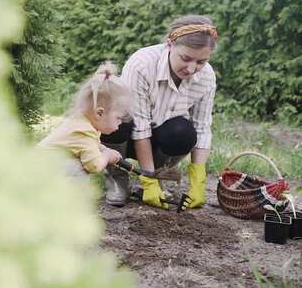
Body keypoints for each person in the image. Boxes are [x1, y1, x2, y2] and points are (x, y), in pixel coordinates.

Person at [101, 15, 218, 209]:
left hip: (160, 140)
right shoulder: (142, 64)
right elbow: (140, 126)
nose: (191, 69)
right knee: (115, 120)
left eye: (201, 62)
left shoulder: (206, 77)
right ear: (170, 44)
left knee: (184, 132)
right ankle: (117, 177)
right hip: (128, 134)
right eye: (186, 58)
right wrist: (149, 179)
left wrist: (199, 179)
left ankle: (157, 174)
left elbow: (203, 127)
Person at [38, 62, 132, 182]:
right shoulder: (83, 133)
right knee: (78, 169)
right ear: (100, 113)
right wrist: (107, 156)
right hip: (37, 175)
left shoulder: (82, 123)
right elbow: (94, 166)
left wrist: (104, 150)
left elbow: (93, 145)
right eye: (118, 117)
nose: (120, 122)